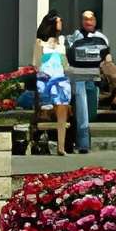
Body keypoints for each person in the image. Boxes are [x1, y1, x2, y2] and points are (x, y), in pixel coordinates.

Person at [62, 10, 110, 154]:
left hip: (94, 77)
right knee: (82, 110)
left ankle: (78, 139)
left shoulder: (101, 38)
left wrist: (108, 67)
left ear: (95, 20)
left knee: (90, 111)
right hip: (78, 76)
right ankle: (83, 144)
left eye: (90, 18)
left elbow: (107, 56)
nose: (88, 22)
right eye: (85, 19)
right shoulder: (74, 37)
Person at [29, 13, 72, 151]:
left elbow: (65, 64)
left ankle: (61, 146)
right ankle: (36, 141)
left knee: (62, 112)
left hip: (61, 79)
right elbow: (36, 63)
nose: (61, 23)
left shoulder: (61, 42)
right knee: (44, 111)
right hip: (46, 79)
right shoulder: (40, 42)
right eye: (59, 21)